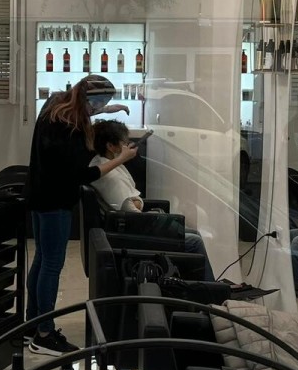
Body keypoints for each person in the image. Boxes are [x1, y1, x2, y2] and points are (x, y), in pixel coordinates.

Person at [25, 75, 134, 356]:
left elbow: (79, 107)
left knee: (41, 259)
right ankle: (44, 334)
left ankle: (30, 325)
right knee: (51, 265)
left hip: (38, 194)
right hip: (56, 201)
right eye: (100, 103)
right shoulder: (71, 128)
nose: (99, 108)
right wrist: (119, 160)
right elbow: (82, 174)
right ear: (88, 100)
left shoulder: (54, 106)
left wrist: (106, 110)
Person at [90, 120, 216, 282]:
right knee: (195, 241)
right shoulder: (111, 176)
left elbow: (133, 202)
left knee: (194, 233)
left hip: (127, 225)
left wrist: (139, 203)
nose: (128, 146)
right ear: (110, 146)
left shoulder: (100, 162)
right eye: (124, 143)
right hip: (131, 232)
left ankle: (204, 286)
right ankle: (210, 289)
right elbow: (131, 209)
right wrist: (145, 210)